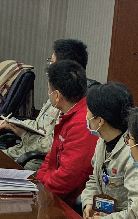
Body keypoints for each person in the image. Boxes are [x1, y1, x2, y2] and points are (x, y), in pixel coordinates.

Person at [0, 39, 89, 170]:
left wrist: (23, 134)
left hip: (34, 160)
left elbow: (51, 146)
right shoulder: (55, 94)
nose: (49, 67)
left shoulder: (70, 103)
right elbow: (39, 125)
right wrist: (13, 124)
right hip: (23, 150)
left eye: (52, 63)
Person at [79, 82, 138, 219]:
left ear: (100, 121)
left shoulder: (133, 155)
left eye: (88, 111)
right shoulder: (103, 140)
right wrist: (88, 203)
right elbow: (94, 179)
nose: (86, 116)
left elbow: (137, 215)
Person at [34, 60, 97, 206]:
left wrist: (42, 193)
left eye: (49, 90)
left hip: (66, 203)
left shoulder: (83, 122)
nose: (48, 93)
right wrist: (37, 185)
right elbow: (51, 159)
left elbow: (69, 176)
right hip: (50, 193)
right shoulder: (69, 114)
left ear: (57, 95)